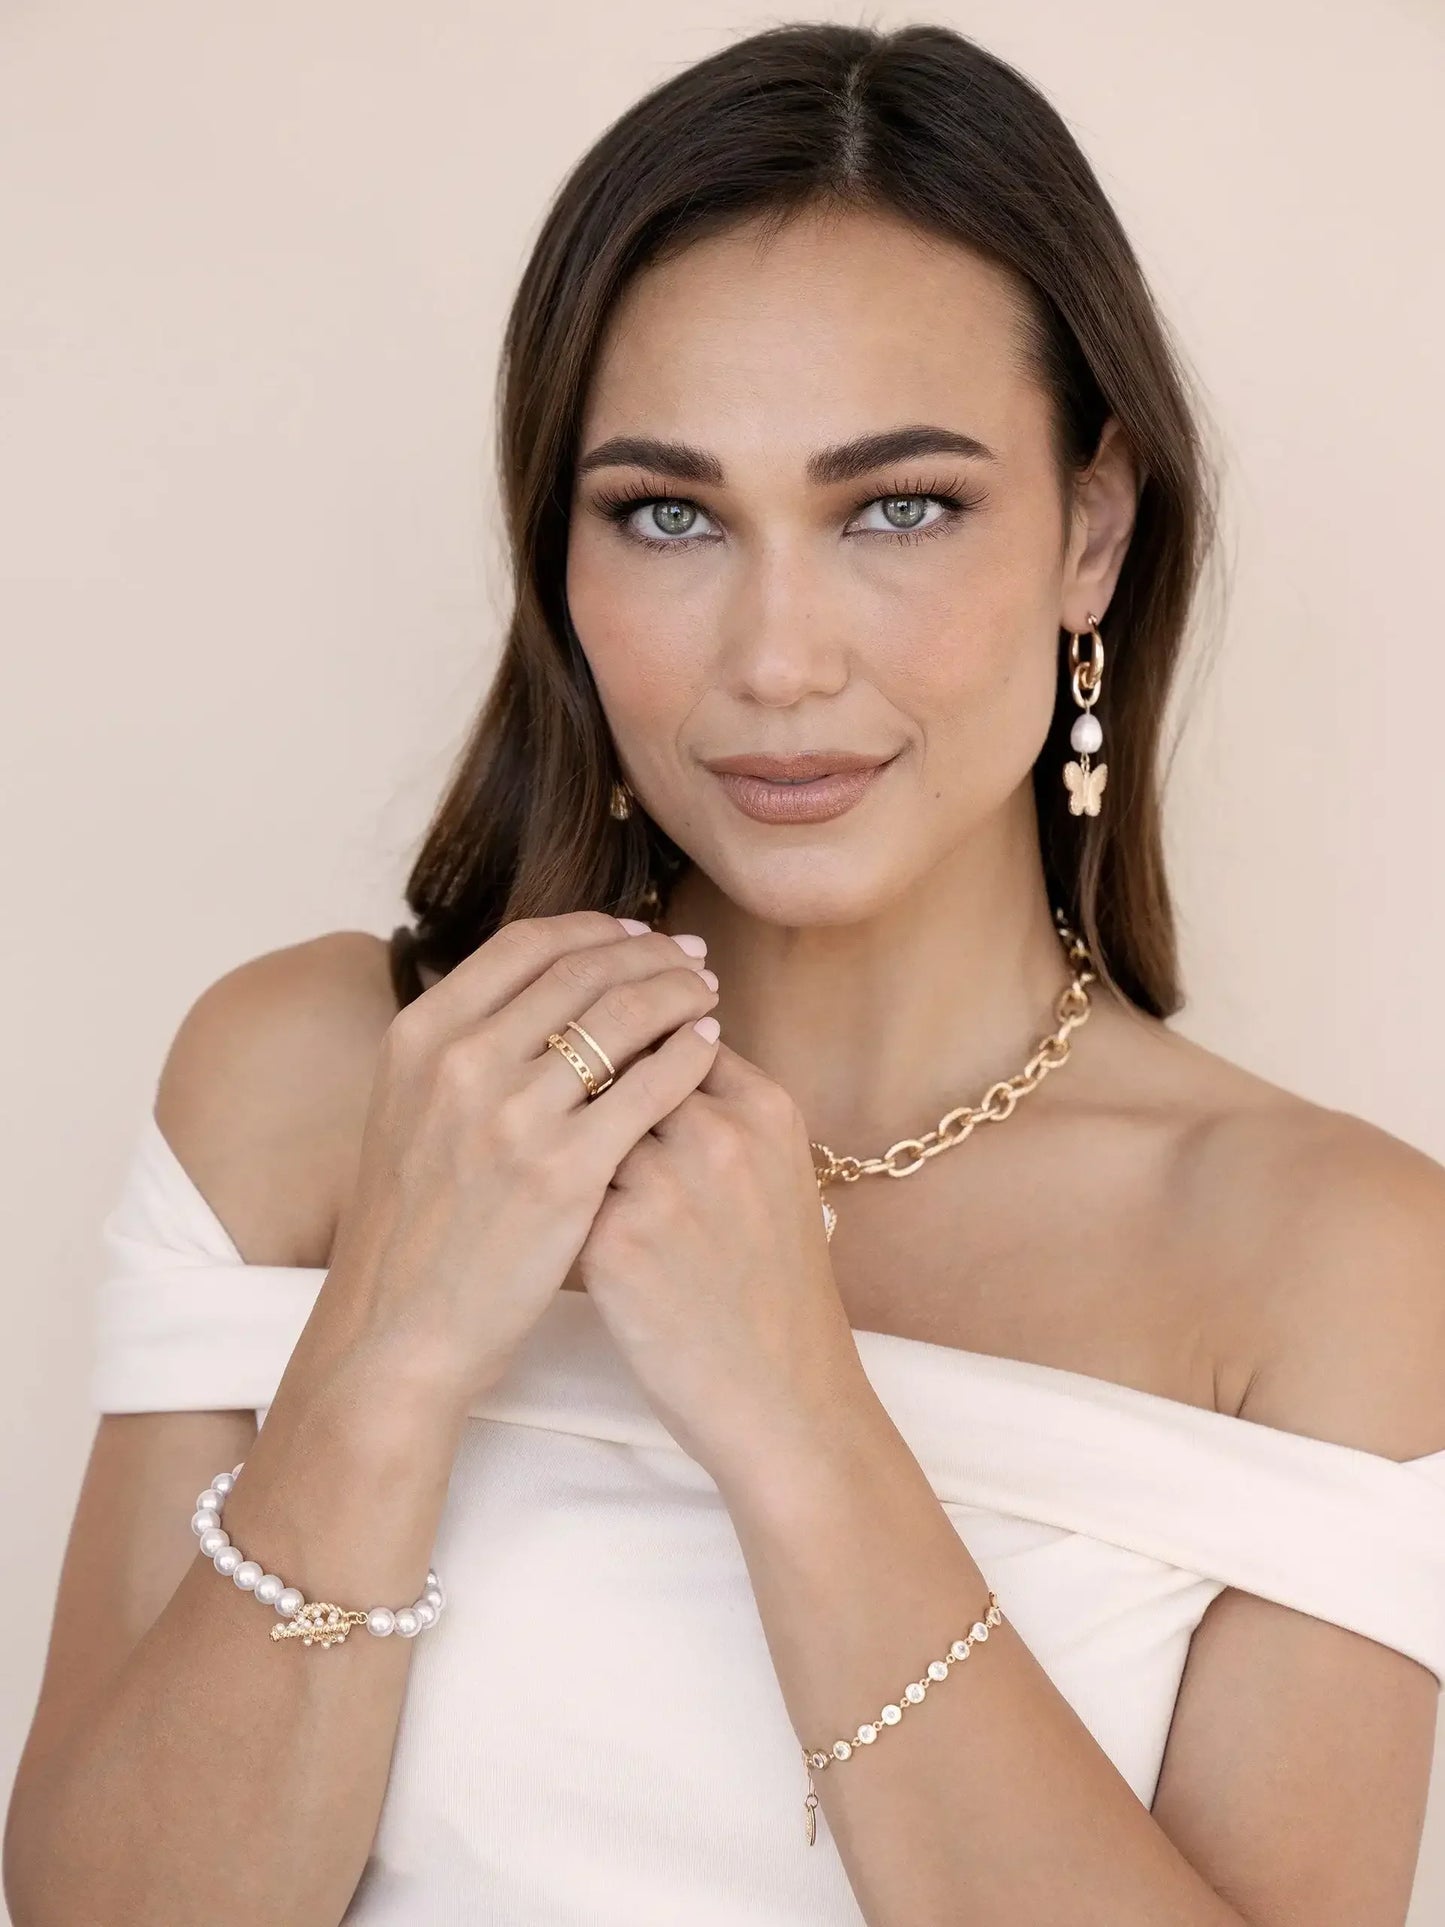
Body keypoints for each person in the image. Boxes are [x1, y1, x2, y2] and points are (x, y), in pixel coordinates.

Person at [6, 19, 1444, 1927]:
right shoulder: (313, 1080)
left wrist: (797, 1422)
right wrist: (394, 1346)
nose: (775, 658)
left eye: (898, 507)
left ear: (1090, 531)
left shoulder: (1334, 1259)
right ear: (564, 557)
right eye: (667, 514)